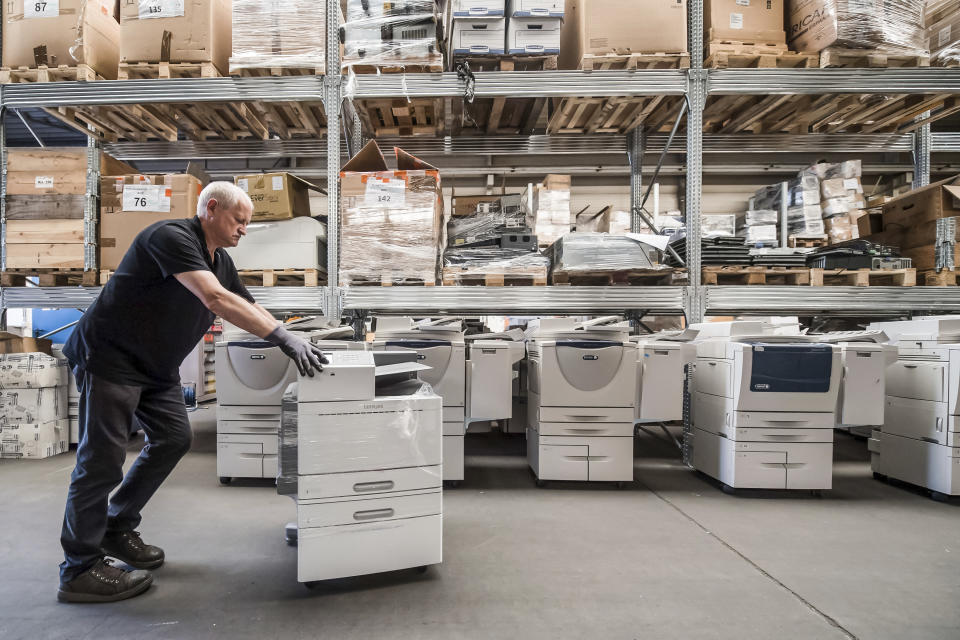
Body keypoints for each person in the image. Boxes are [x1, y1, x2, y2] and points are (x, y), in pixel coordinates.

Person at [57, 181, 326, 603]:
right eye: (239, 221)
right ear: (212, 209)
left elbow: (247, 305)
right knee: (101, 463)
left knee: (173, 439)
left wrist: (291, 335)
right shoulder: (171, 237)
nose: (244, 230)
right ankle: (79, 570)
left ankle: (117, 525)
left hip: (155, 368)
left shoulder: (220, 261)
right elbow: (215, 299)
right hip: (111, 359)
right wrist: (281, 337)